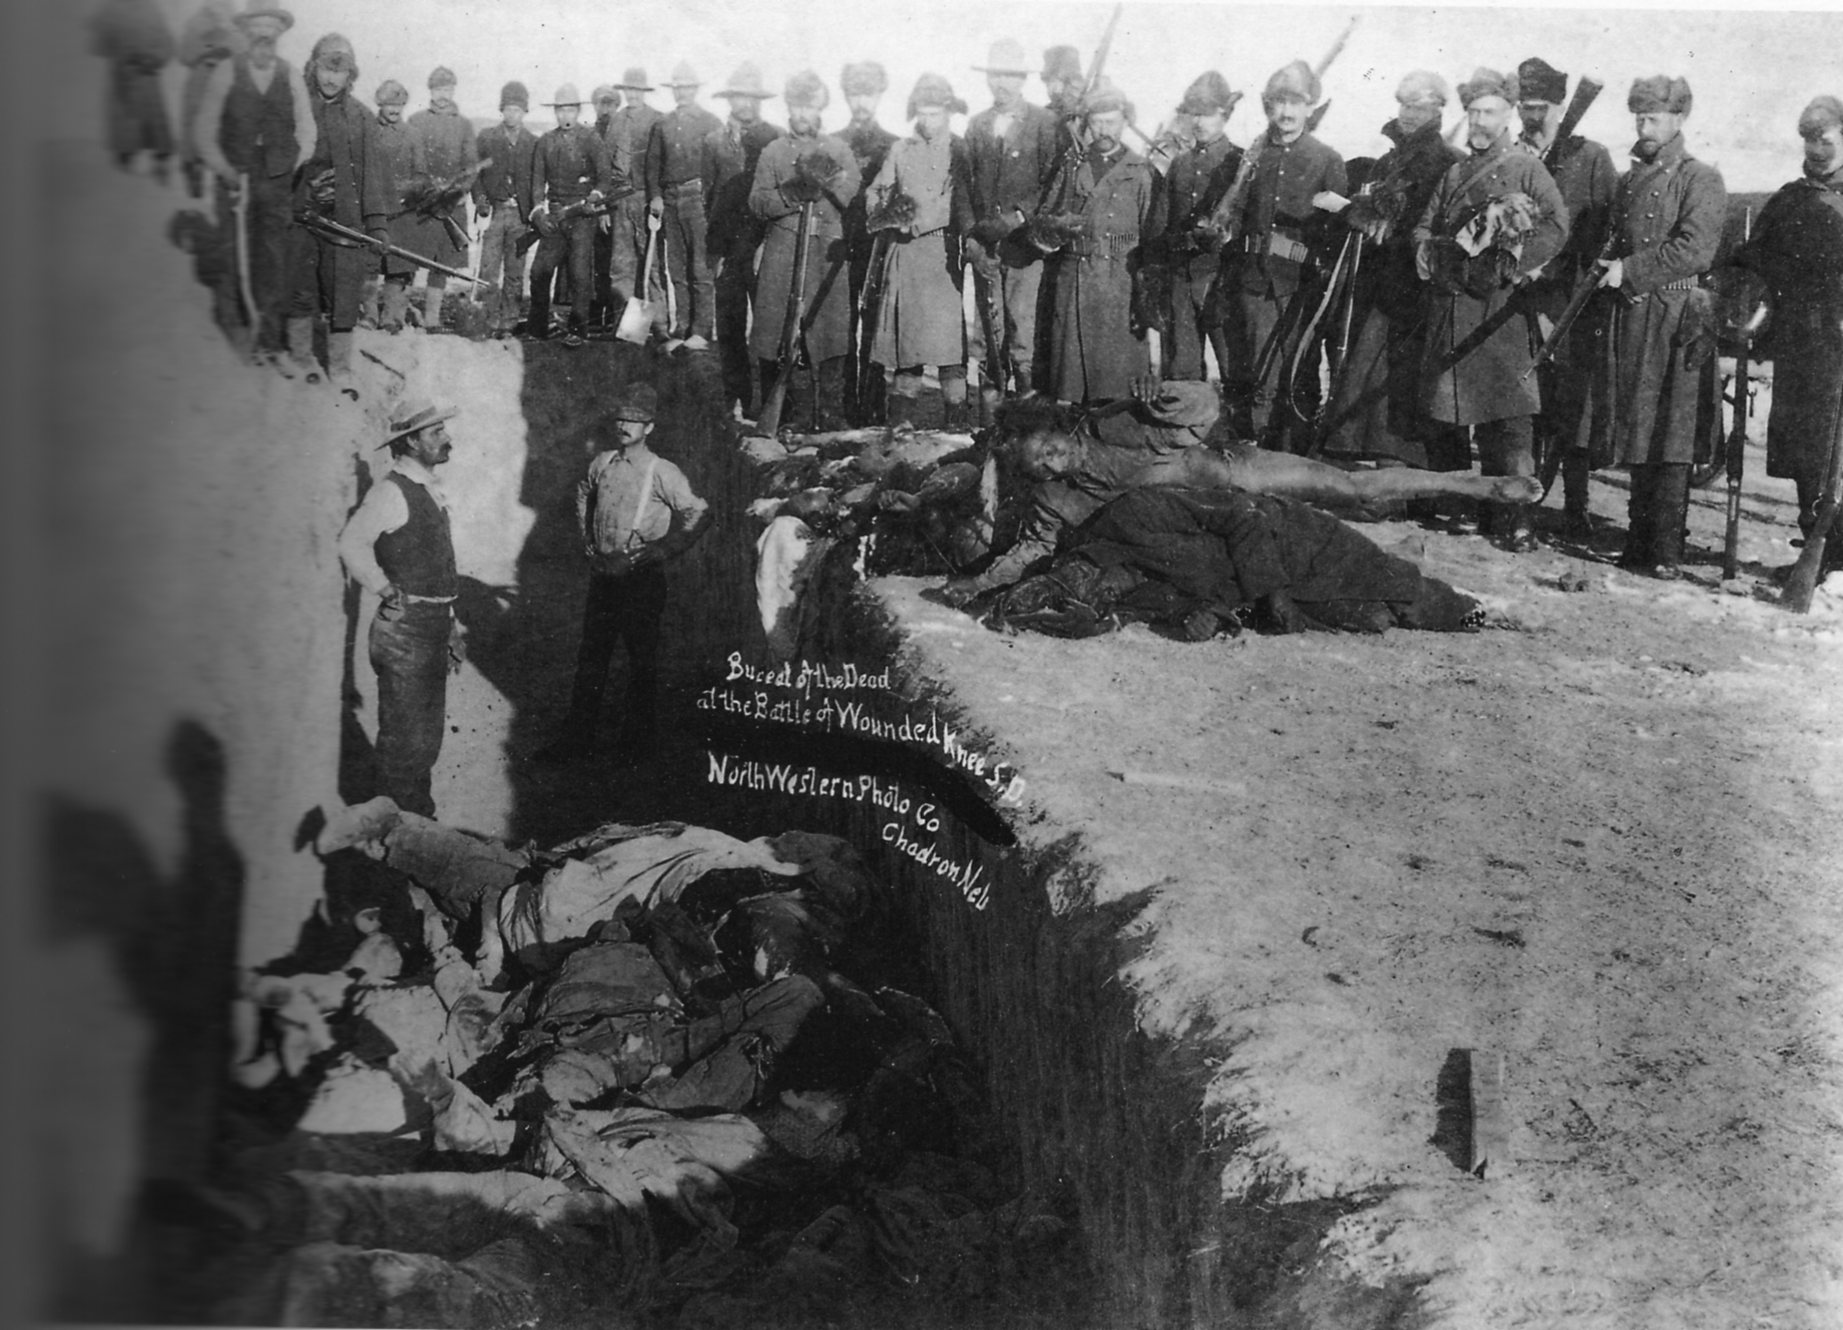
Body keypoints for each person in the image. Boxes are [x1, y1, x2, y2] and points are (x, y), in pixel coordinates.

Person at [939, 383, 1543, 604]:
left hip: (1238, 472)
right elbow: (1028, 552)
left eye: (1046, 447)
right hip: (1226, 523)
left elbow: (1205, 404)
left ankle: (1479, 485)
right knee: (1333, 541)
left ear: (1053, 428)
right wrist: (979, 581)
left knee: (1356, 492)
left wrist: (1165, 395)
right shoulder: (1058, 501)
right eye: (1041, 468)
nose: (1052, 462)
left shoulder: (1114, 424)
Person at [1412, 67, 1568, 551]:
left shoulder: (1527, 168)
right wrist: (1436, 256)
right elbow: (1422, 229)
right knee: (1448, 409)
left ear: (1508, 116)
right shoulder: (1454, 172)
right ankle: (1455, 502)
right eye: (1473, 112)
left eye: (1490, 112)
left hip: (1499, 313)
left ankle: (1515, 514)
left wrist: (1513, 262)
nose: (1480, 121)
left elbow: (1557, 227)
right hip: (1453, 304)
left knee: (1508, 419)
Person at [1579, 75, 1726, 576]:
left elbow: (1695, 249)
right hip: (1633, 316)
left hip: (1677, 319)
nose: (1644, 126)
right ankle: (1638, 543)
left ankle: (1665, 550)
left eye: (1654, 117)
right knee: (1640, 429)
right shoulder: (1627, 181)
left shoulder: (1699, 177)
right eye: (1639, 117)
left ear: (1678, 120)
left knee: (1672, 432)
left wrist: (1632, 270)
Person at [539, 384, 711, 766]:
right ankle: (577, 740)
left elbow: (699, 512)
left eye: (634, 420)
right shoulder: (602, 463)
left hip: (641, 580)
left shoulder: (661, 471)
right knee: (592, 659)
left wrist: (664, 549)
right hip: (604, 577)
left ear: (649, 428)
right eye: (620, 418)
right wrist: (589, 540)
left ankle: (636, 747)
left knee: (641, 661)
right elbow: (584, 494)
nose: (624, 425)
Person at [1318, 71, 1468, 470]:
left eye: (1418, 106)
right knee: (1373, 377)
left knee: (1411, 383)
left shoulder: (1449, 161)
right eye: (1404, 104)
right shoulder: (1387, 161)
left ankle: (1417, 476)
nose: (1408, 114)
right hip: (1381, 285)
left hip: (1420, 288)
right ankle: (1379, 464)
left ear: (1437, 110)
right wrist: (1357, 212)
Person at [336, 397, 466, 818]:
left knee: (424, 738)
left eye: (443, 430)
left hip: (431, 624)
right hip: (405, 629)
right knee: (405, 741)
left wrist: (449, 622)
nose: (446, 439)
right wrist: (382, 587)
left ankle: (415, 824)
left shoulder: (426, 485)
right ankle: (398, 834)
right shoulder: (392, 491)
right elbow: (351, 542)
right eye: (435, 433)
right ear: (410, 443)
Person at [1732, 96, 1843, 570]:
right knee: (1808, 447)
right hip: (1803, 343)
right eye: (1808, 138)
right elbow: (1751, 260)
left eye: (1825, 137)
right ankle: (1819, 549)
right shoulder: (1790, 198)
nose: (1816, 147)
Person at [1217, 60, 1348, 450]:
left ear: (1311, 109)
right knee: (1252, 371)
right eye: (1279, 103)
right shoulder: (1253, 156)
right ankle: (1254, 452)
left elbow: (1337, 232)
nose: (1287, 113)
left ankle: (1294, 457)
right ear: (1268, 107)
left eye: (1296, 104)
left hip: (1299, 286)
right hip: (1251, 281)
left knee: (1297, 373)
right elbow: (1234, 212)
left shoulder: (1327, 159)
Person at [1514, 56, 1619, 538]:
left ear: (1560, 107)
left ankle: (1575, 506)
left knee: (1572, 407)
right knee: (1527, 403)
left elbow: (1606, 228)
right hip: (1519, 297)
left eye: (1542, 107)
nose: (1532, 116)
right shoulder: (1514, 155)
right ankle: (1521, 499)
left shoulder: (1590, 156)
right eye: (1525, 106)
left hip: (1572, 298)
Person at [193, 0, 314, 366]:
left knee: (273, 261)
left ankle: (271, 344)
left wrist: (291, 164)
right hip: (235, 180)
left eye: (271, 34)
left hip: (275, 182)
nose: (264, 41)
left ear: (279, 35)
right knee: (234, 258)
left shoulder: (290, 74)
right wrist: (224, 169)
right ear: (246, 34)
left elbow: (308, 129)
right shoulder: (227, 72)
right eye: (257, 33)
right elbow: (203, 131)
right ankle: (236, 341)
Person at [1042, 78, 1166, 405]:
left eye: (1111, 122)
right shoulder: (1072, 166)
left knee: (1117, 379)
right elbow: (1047, 215)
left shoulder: (1142, 172)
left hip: (1121, 284)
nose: (1103, 130)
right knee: (1070, 378)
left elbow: (1153, 236)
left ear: (1125, 122)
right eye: (1096, 122)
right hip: (1075, 278)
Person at [749, 72, 861, 430]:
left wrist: (827, 183)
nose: (802, 114)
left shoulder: (838, 150)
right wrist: (793, 193)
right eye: (797, 106)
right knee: (780, 331)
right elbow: (757, 202)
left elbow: (852, 194)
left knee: (831, 332)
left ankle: (830, 412)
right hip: (783, 251)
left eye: (810, 106)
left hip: (826, 252)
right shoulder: (774, 151)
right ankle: (789, 415)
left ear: (821, 109)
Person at [866, 74, 975, 428]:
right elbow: (877, 190)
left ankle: (956, 422)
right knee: (906, 347)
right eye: (922, 114)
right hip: (904, 256)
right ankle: (901, 424)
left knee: (948, 348)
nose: (927, 122)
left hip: (940, 255)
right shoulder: (900, 149)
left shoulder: (960, 151)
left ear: (948, 113)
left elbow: (957, 201)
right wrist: (883, 210)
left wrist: (916, 219)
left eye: (935, 114)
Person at [285, 31, 392, 387]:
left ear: (351, 75)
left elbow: (372, 175)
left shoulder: (361, 118)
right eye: (325, 70)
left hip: (343, 221)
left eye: (340, 71)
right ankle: (301, 359)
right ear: (313, 68)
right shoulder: (296, 106)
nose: (331, 78)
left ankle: (341, 370)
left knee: (343, 292)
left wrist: (376, 225)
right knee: (300, 288)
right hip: (300, 216)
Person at [963, 39, 1062, 401]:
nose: (1001, 84)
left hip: (1025, 250)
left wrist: (1019, 216)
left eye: (1009, 76)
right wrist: (971, 239)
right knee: (988, 333)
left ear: (1022, 80)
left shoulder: (1044, 124)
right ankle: (990, 418)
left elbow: (1054, 184)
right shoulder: (977, 125)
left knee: (1023, 332)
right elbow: (964, 185)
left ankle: (1026, 414)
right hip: (987, 250)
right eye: (995, 76)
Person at [1157, 71, 1243, 384]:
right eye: (1194, 114)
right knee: (1182, 367)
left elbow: (1246, 221)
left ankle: (1241, 431)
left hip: (1221, 280)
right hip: (1181, 278)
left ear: (1225, 114)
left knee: (1232, 363)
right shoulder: (1180, 164)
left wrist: (1225, 232)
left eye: (1207, 114)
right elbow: (1162, 224)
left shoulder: (1241, 163)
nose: (1199, 122)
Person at [707, 64, 784, 408]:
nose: (745, 103)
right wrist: (715, 251)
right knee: (729, 324)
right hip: (731, 245)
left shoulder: (779, 138)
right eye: (739, 96)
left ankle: (773, 402)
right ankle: (735, 397)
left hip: (768, 245)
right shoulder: (714, 139)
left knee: (770, 328)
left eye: (752, 97)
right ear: (730, 99)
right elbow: (711, 196)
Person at [528, 84, 617, 347]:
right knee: (539, 272)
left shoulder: (591, 139)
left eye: (570, 110)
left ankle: (579, 330)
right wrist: (538, 214)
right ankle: (537, 328)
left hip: (582, 217)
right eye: (561, 111)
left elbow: (605, 178)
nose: (565, 116)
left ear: (578, 111)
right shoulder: (545, 141)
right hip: (555, 216)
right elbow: (536, 183)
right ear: (555, 112)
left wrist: (595, 197)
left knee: (580, 273)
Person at [646, 63, 723, 346]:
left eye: (688, 87)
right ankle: (683, 326)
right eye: (678, 88)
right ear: (673, 90)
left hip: (698, 198)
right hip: (669, 199)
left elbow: (719, 166)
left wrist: (711, 202)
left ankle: (702, 331)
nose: (683, 93)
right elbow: (653, 163)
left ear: (696, 90)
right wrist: (655, 195)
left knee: (701, 268)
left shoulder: (711, 122)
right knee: (677, 268)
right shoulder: (662, 124)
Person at [838, 62, 898, 423]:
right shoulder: (833, 143)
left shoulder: (894, 145)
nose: (862, 102)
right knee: (843, 325)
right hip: (840, 249)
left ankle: (874, 405)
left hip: (878, 248)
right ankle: (847, 403)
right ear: (846, 96)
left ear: (879, 96)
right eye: (855, 94)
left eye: (869, 94)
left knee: (875, 326)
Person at [405, 66, 479, 333]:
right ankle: (400, 311)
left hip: (449, 204)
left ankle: (432, 319)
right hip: (421, 203)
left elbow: (470, 166)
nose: (443, 95)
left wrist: (459, 193)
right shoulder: (416, 121)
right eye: (438, 90)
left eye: (447, 90)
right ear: (430, 91)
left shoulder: (464, 124)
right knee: (408, 258)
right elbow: (409, 160)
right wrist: (419, 190)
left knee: (441, 263)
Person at [472, 81, 538, 336]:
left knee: (515, 270)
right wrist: (479, 198)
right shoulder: (487, 138)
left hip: (520, 216)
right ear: (502, 110)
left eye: (518, 110)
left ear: (524, 112)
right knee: (488, 268)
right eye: (508, 109)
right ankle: (489, 319)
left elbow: (537, 179)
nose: (513, 114)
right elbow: (475, 174)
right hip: (494, 213)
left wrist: (533, 211)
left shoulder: (533, 143)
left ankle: (509, 321)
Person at [608, 68, 667, 339]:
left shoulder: (657, 120)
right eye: (628, 90)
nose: (632, 94)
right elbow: (606, 167)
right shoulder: (616, 121)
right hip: (620, 202)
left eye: (637, 90)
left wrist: (658, 199)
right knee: (622, 265)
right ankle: (629, 329)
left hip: (646, 199)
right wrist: (604, 209)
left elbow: (662, 164)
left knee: (652, 263)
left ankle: (660, 326)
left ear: (644, 92)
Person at [89, 0, 176, 181]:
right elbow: (98, 47)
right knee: (125, 145)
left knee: (158, 139)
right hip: (123, 83)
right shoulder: (111, 8)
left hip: (148, 80)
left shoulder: (152, 9)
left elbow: (168, 43)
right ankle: (125, 172)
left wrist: (155, 59)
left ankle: (160, 170)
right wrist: (100, 28)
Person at [177, 1, 239, 199]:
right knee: (195, 125)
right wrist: (205, 50)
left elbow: (243, 50)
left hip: (225, 79)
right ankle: (193, 172)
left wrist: (227, 31)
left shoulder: (234, 20)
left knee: (224, 126)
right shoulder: (197, 21)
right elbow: (184, 55)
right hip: (200, 79)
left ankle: (223, 177)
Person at [370, 79, 418, 332]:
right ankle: (367, 314)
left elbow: (420, 175)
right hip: (372, 206)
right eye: (390, 104)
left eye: (399, 105)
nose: (395, 110)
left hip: (401, 211)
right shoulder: (367, 130)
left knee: (398, 267)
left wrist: (404, 191)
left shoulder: (412, 134)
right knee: (368, 262)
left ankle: (392, 317)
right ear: (380, 104)